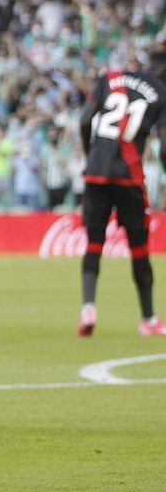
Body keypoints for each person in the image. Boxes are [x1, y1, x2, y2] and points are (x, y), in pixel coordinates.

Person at [75, 46, 166, 337]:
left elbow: (84, 120)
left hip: (96, 173)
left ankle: (88, 307)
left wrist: (90, 156)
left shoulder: (110, 78)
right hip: (129, 177)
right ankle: (148, 319)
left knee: (94, 242)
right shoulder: (160, 92)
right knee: (139, 246)